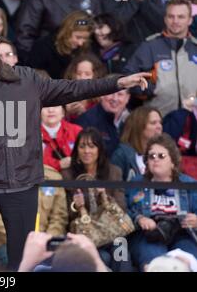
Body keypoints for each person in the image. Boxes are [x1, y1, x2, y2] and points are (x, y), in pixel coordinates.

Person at [0, 21, 150, 269]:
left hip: (21, 183)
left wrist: (116, 83)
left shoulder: (27, 79)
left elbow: (72, 89)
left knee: (22, 258)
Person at [61, 127, 131, 271]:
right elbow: (65, 214)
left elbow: (121, 208)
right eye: (82, 146)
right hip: (86, 235)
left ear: (100, 150)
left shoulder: (114, 172)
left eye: (92, 146)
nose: (87, 151)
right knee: (102, 258)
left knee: (121, 253)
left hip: (112, 231)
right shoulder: (68, 175)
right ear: (77, 151)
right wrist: (76, 206)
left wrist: (104, 196)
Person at [127, 133, 197, 271]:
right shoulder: (136, 183)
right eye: (151, 156)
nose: (155, 160)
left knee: (186, 263)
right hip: (148, 236)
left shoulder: (189, 184)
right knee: (156, 265)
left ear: (173, 161)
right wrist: (139, 218)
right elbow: (124, 211)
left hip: (181, 234)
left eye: (161, 156)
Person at [123, 0, 197, 117]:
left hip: (192, 122)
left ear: (190, 20)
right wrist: (148, 89)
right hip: (158, 122)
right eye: (171, 16)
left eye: (181, 17)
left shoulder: (195, 48)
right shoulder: (150, 46)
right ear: (165, 19)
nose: (175, 21)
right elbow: (127, 77)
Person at [28, 11, 94, 80]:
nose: (81, 43)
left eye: (85, 38)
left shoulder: (87, 48)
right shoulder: (43, 47)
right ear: (67, 31)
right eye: (78, 37)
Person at [111, 106, 163, 181]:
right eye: (153, 123)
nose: (159, 126)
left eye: (160, 122)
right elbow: (114, 188)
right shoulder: (121, 155)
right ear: (139, 126)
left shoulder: (164, 153)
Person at [63, 52, 107, 120]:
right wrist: (67, 113)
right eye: (79, 73)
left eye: (87, 74)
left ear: (96, 76)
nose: (82, 77)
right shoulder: (64, 95)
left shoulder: (102, 99)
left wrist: (84, 114)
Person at [41, 106, 81, 172]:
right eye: (45, 106)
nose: (51, 110)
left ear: (63, 111)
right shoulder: (31, 134)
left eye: (56, 105)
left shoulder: (76, 131)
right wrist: (58, 164)